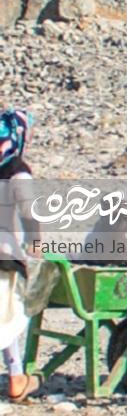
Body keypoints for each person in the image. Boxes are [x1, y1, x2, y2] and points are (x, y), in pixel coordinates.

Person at [0, 109, 38, 403]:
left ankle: (16, 373)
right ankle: (15, 376)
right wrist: (36, 240)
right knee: (8, 316)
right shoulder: (15, 169)